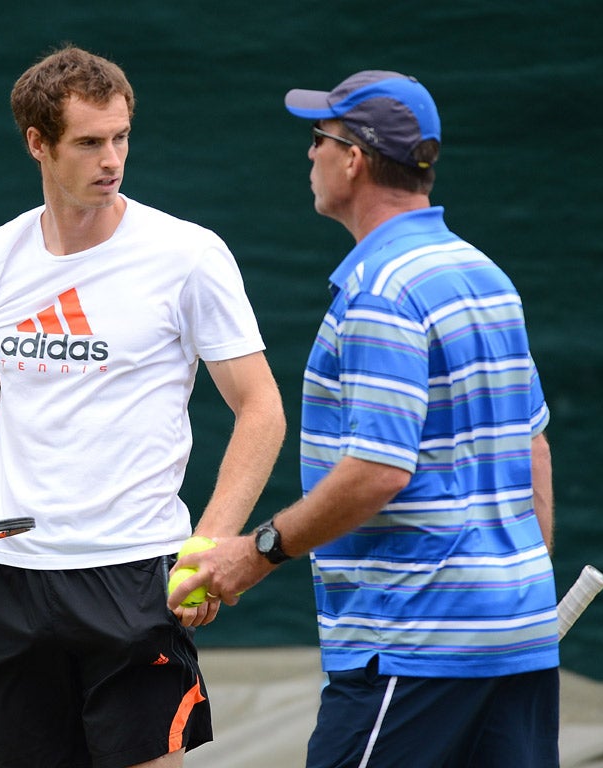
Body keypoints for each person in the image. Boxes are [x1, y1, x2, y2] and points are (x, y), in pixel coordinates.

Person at [168, 70, 560, 767]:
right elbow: (533, 447)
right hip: (517, 635)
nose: (308, 155)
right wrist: (516, 588)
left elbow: (378, 471)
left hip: (412, 647)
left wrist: (252, 555)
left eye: (318, 139)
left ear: (352, 158)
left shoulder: (381, 292)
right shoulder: (485, 276)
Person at [0, 45, 286, 768]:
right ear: (38, 144)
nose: (111, 157)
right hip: (16, 582)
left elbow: (261, 408)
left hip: (136, 578)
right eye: (89, 142)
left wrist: (207, 544)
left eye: (120, 137)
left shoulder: (188, 255)